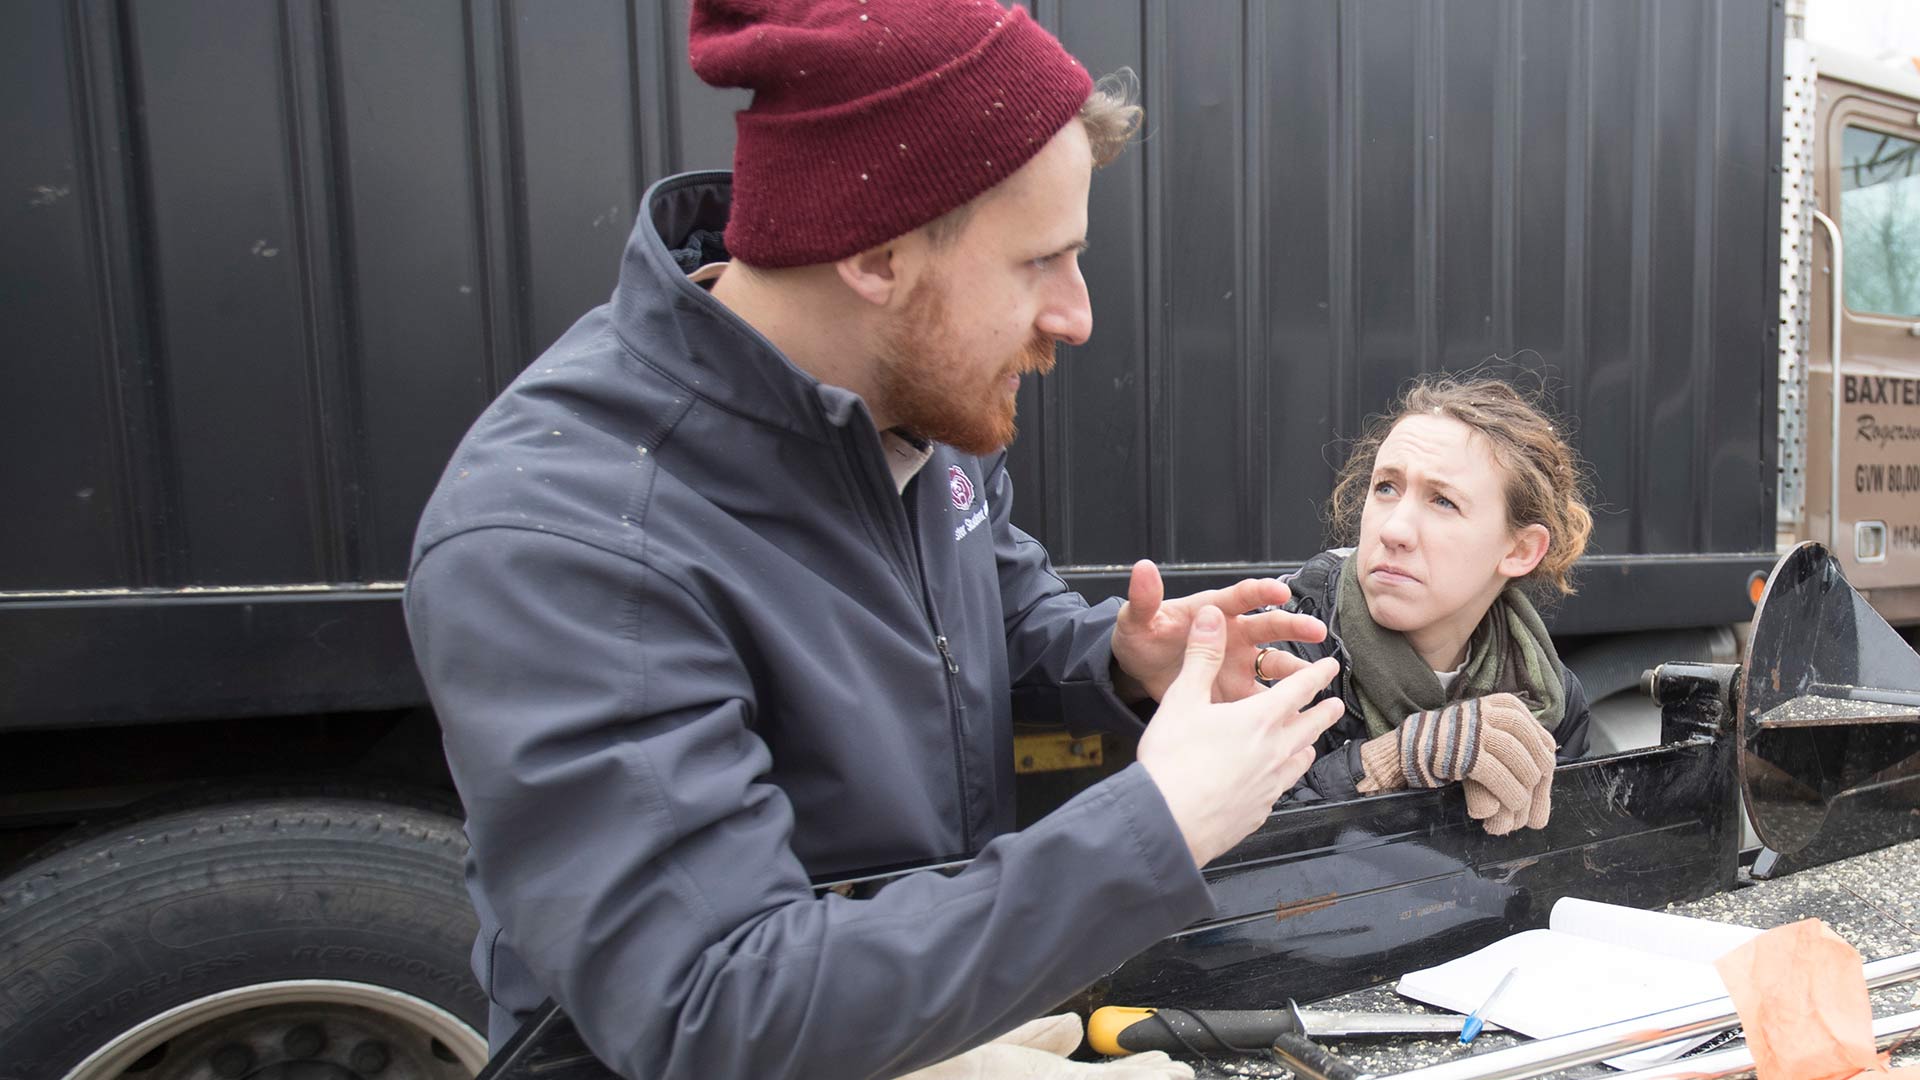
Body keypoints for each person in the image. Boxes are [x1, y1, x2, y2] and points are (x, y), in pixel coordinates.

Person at [403, 2, 1343, 1078]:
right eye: (1043, 261)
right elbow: (714, 1005)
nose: (1077, 316)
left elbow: (992, 614)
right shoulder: (570, 537)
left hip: (924, 1010)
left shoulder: (916, 400)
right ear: (877, 256)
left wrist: (1120, 659)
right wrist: (1158, 826)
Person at [1260, 376, 1595, 832]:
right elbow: (1230, 849)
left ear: (1519, 551)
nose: (1394, 530)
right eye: (1386, 488)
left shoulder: (1548, 696)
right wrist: (1390, 760)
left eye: (1443, 501)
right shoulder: (1283, 646)